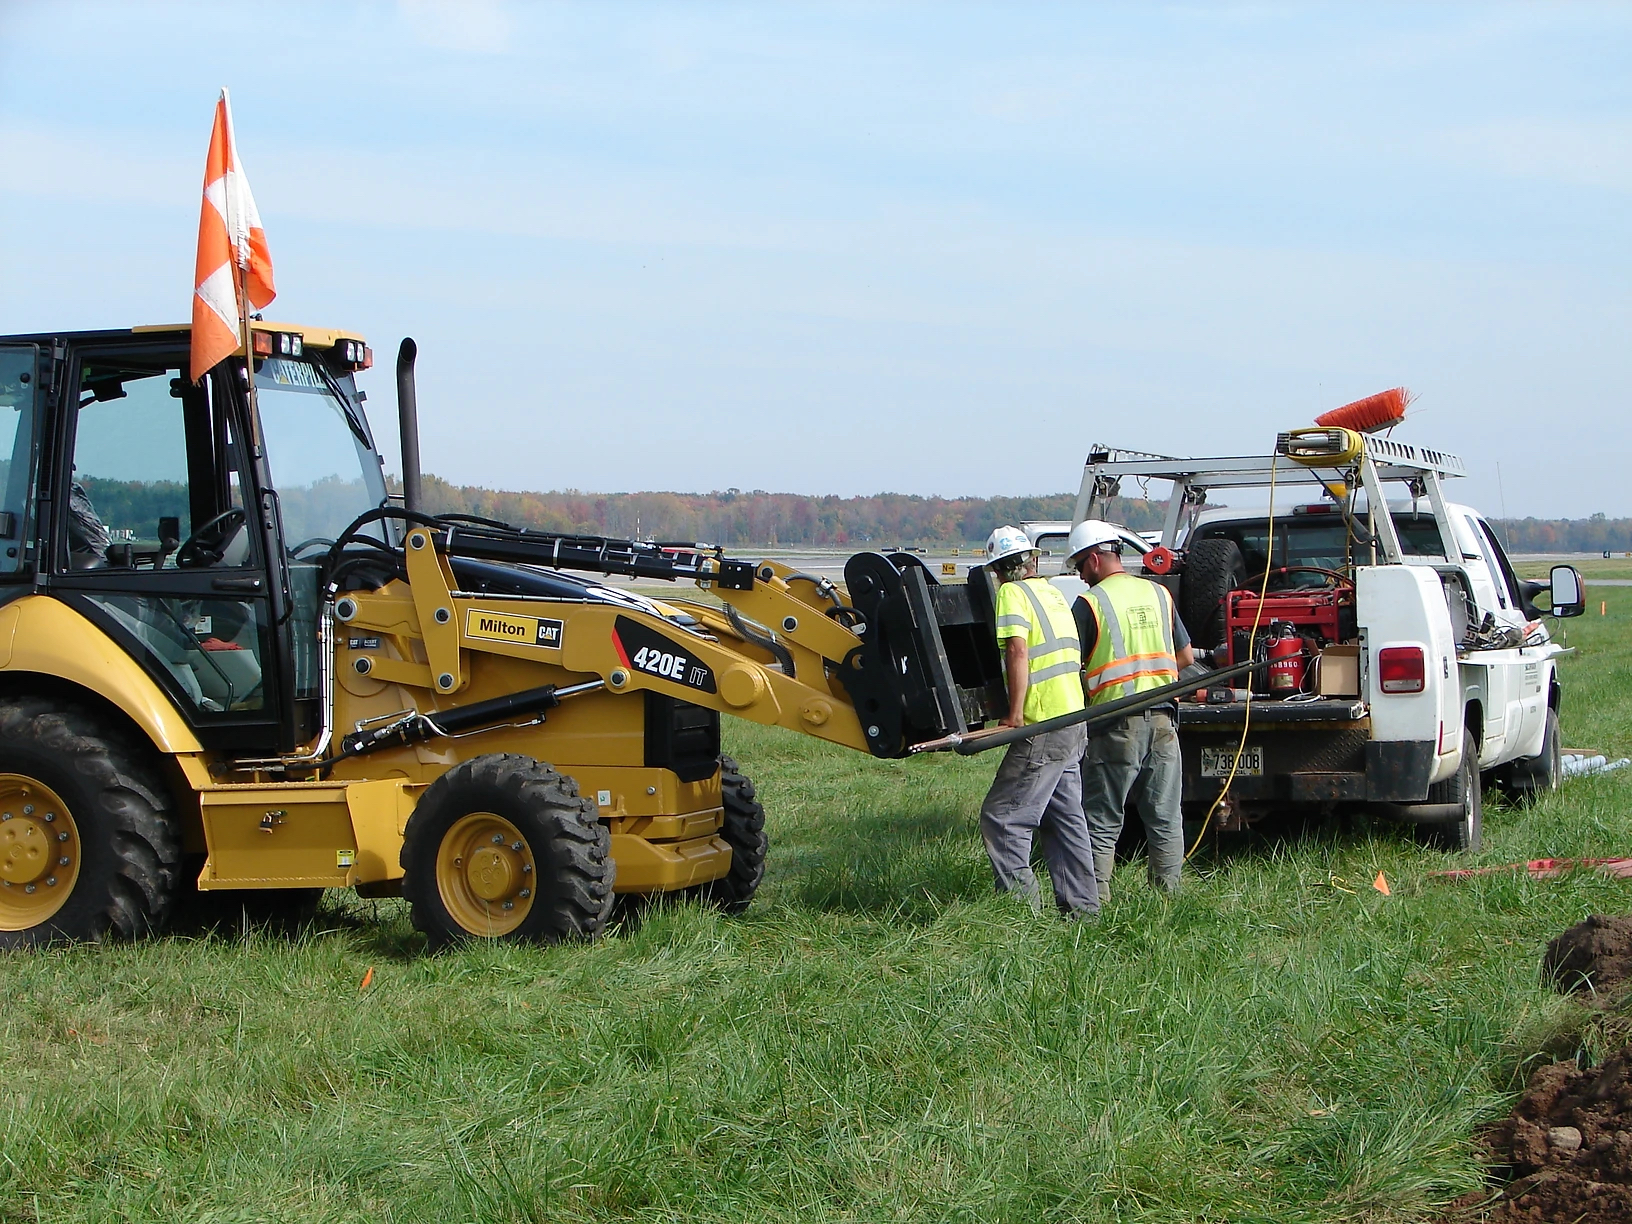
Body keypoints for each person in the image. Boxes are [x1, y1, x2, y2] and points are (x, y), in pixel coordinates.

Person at [974, 525, 1099, 919]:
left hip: (1042, 723)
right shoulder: (1052, 593)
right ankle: (1083, 911)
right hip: (1072, 719)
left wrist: (1013, 716)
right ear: (1031, 560)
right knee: (1066, 819)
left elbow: (1017, 650)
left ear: (999, 570)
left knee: (1003, 818)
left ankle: (1021, 916)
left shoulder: (1011, 594)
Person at [1067, 519, 1194, 896]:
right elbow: (1184, 657)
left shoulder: (1090, 603)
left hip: (1114, 726)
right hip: (1163, 722)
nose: (1080, 577)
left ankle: (1093, 906)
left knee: (1102, 821)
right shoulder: (1159, 594)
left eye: (1078, 567)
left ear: (1093, 560)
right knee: (1166, 819)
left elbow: (1072, 666)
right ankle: (1168, 902)